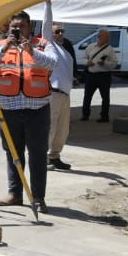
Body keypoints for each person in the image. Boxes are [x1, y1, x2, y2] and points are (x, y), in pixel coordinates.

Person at [0, 11, 60, 211]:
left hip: (37, 110)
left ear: (30, 27)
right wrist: (5, 47)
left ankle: (38, 198)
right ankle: (15, 194)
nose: (17, 30)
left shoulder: (43, 45)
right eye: (14, 27)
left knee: (38, 154)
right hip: (8, 110)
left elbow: (53, 63)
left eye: (21, 26)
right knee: (13, 153)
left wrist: (31, 51)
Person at [46, 18, 77, 171]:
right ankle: (43, 156)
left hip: (65, 93)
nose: (60, 34)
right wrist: (48, 6)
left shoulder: (64, 47)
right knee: (50, 126)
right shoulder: (49, 46)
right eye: (57, 31)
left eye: (62, 31)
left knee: (63, 129)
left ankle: (54, 156)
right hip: (53, 92)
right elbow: (46, 25)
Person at [81, 29, 119, 122]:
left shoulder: (110, 49)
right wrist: (87, 62)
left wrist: (105, 63)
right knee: (87, 96)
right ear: (99, 37)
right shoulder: (91, 46)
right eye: (105, 37)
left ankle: (104, 116)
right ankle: (85, 115)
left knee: (105, 97)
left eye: (107, 37)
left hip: (104, 75)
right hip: (91, 75)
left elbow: (114, 63)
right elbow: (83, 58)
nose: (107, 39)